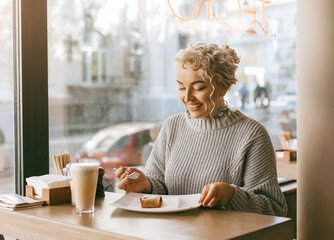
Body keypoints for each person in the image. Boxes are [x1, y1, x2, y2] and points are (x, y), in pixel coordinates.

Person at [115, 43, 287, 216]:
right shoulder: (171, 126)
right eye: (182, 87)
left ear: (223, 87)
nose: (188, 97)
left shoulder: (252, 134)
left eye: (199, 88)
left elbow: (274, 208)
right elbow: (162, 189)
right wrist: (146, 185)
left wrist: (232, 195)